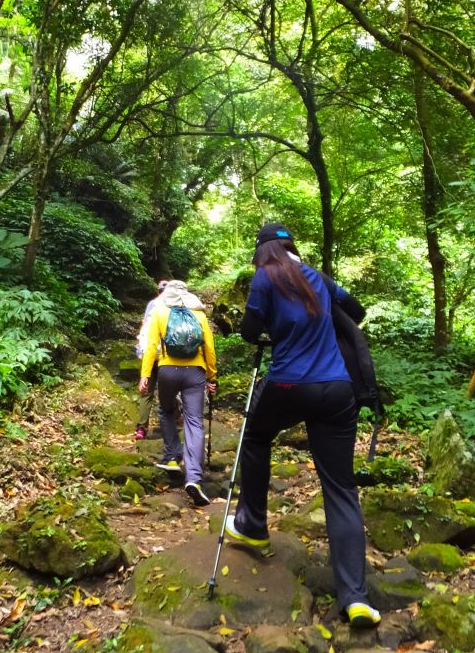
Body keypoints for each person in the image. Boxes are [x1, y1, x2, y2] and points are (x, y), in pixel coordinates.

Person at [226, 223, 381, 630]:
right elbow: (357, 310)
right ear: (292, 247)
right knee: (341, 488)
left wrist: (274, 334)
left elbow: (247, 332)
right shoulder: (319, 278)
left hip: (290, 384)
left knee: (256, 436)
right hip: (336, 389)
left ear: (264, 252)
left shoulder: (265, 278)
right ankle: (356, 599)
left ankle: (253, 525)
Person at [139, 279, 217, 507]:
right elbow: (209, 349)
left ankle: (172, 456)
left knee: (165, 410)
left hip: (167, 371)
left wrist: (145, 375)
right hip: (196, 372)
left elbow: (151, 346)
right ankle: (194, 478)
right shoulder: (199, 314)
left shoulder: (160, 312)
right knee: (194, 421)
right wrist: (212, 376)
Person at [134, 280, 169, 441]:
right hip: (166, 355)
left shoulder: (152, 304)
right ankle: (169, 424)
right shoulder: (174, 306)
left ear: (157, 291)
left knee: (146, 391)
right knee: (168, 390)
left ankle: (141, 428)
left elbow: (144, 326)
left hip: (150, 352)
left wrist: (140, 345)